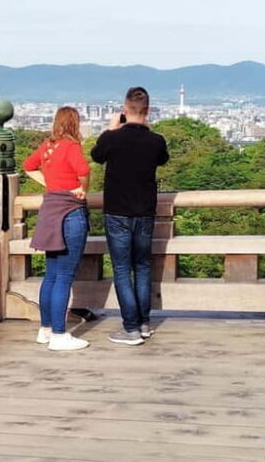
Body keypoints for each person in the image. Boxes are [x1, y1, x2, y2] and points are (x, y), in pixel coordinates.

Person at [91, 87, 169, 346]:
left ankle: (131, 328)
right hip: (145, 212)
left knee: (122, 269)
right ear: (148, 110)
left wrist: (112, 129)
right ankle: (144, 322)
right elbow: (163, 159)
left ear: (124, 110)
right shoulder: (156, 141)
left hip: (117, 212)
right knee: (143, 268)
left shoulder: (113, 139)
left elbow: (96, 156)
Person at [23, 107, 91, 351]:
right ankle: (60, 335)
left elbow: (28, 166)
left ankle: (46, 329)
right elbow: (83, 170)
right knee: (64, 276)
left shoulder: (47, 147)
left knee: (51, 275)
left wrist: (49, 182)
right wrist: (82, 188)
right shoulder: (71, 147)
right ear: (75, 124)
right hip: (70, 211)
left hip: (49, 211)